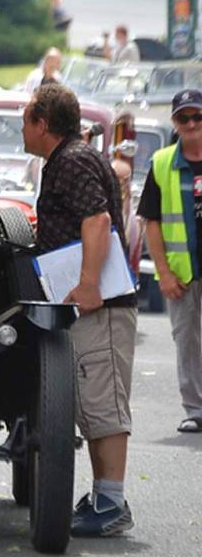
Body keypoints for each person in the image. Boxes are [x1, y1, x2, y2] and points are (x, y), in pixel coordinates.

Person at [22, 84, 136, 537]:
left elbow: (98, 219)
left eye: (27, 120)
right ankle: (103, 497)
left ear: (43, 123)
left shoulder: (72, 160)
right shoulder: (68, 159)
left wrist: (88, 283)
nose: (24, 129)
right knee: (91, 403)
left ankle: (112, 504)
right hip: (90, 302)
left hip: (102, 304)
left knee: (102, 403)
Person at [137, 89, 202, 433]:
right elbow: (151, 221)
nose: (191, 124)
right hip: (182, 272)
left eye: (197, 117)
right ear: (175, 123)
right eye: (184, 118)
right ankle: (195, 409)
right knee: (187, 341)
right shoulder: (162, 163)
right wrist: (163, 272)